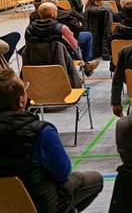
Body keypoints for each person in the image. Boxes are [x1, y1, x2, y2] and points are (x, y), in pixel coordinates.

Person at [0, 69, 104, 212]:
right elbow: (63, 172)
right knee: (95, 179)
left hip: (5, 204)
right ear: (20, 101)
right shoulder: (40, 132)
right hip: (41, 205)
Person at [24, 2, 94, 84]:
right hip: (60, 62)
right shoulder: (62, 28)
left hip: (35, 63)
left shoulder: (29, 29)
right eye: (56, 11)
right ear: (53, 14)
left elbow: (27, 46)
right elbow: (74, 46)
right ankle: (83, 67)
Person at [32, 0, 98, 73]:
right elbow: (75, 41)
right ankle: (85, 63)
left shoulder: (32, 26)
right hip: (61, 54)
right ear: (53, 11)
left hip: (37, 55)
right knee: (83, 38)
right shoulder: (62, 25)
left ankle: (84, 64)